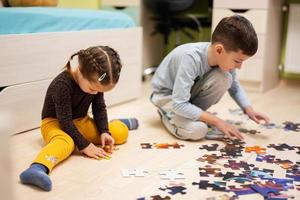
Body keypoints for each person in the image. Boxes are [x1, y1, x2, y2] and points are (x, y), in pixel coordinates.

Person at [19, 46, 137, 191]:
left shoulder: (95, 83)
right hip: (55, 123)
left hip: (81, 120)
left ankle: (116, 123)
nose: (96, 93)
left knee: (118, 133)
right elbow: (65, 122)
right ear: (80, 71)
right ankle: (37, 168)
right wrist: (84, 145)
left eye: (99, 91)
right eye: (93, 89)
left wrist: (104, 131)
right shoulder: (62, 85)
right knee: (66, 143)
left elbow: (99, 108)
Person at [150, 15, 270, 141]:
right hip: (167, 96)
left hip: (186, 96)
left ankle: (191, 115)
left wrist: (248, 109)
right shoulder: (191, 58)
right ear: (219, 50)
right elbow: (179, 104)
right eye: (237, 61)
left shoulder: (224, 58)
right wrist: (217, 121)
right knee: (199, 130)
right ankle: (167, 115)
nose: (239, 67)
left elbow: (234, 87)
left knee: (225, 78)